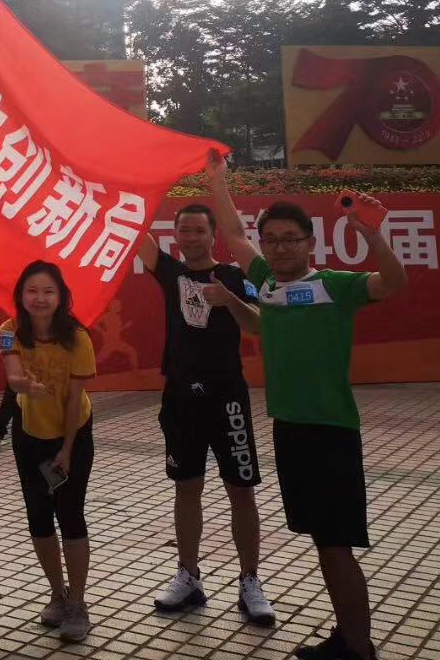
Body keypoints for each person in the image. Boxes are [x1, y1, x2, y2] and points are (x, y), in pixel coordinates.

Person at [205, 152, 408, 660]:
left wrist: (371, 235)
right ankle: (346, 638)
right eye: (270, 239)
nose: (276, 247)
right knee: (323, 543)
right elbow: (235, 243)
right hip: (290, 430)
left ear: (309, 243)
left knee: (336, 548)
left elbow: (394, 284)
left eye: (288, 239)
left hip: (331, 432)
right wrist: (216, 182)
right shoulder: (268, 284)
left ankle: (359, 649)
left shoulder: (334, 286)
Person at [137, 207, 276, 625]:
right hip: (181, 397)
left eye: (200, 229)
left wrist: (228, 300)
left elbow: (257, 327)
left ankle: (250, 581)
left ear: (213, 234)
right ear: (175, 235)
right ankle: (189, 576)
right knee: (186, 487)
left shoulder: (235, 276)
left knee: (241, 489)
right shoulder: (170, 272)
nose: (192, 236)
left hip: (227, 397)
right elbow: (132, 232)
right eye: (184, 230)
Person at [0, 261, 97, 644]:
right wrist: (24, 384)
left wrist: (68, 451)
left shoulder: (77, 337)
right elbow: (11, 376)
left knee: (70, 515)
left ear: (61, 297)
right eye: (32, 291)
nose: (39, 299)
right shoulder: (8, 331)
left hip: (72, 434)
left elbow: (75, 400)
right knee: (38, 518)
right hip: (29, 437)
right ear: (21, 295)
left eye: (48, 292)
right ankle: (57, 595)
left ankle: (78, 602)